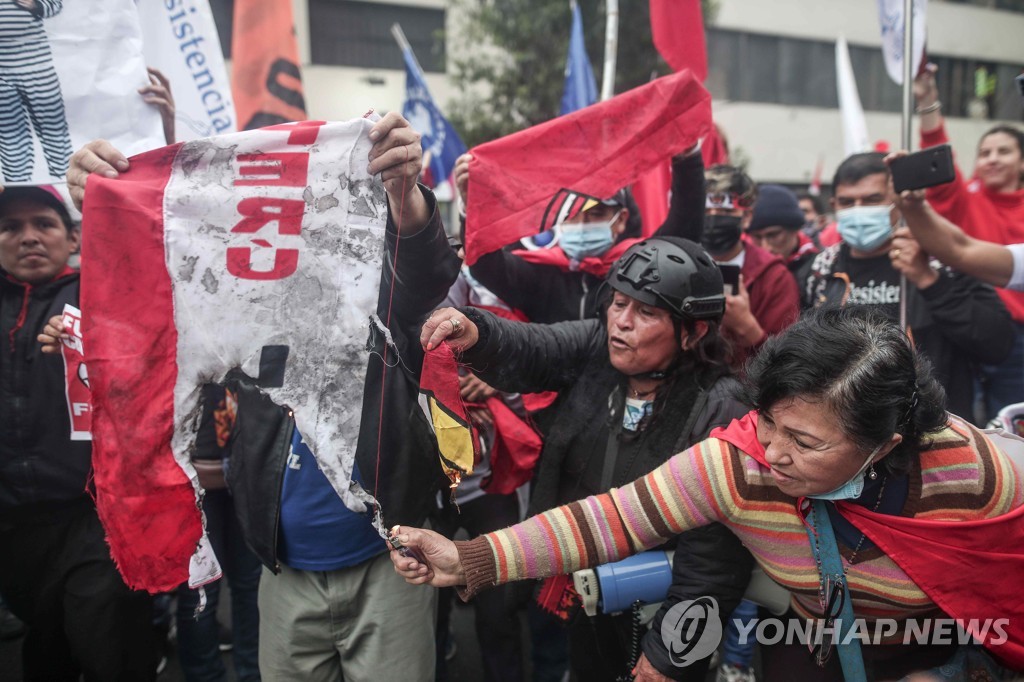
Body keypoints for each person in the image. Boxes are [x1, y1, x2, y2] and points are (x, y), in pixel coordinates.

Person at [393, 305, 1024, 681]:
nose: (772, 451)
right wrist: (472, 559)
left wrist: (953, 672)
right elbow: (610, 520)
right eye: (769, 421)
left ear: (885, 443)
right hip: (803, 652)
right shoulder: (738, 461)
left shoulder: (974, 479)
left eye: (804, 443)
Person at [61, 111, 462, 682]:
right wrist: (104, 200)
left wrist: (404, 192)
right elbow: (149, 293)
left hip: (391, 560)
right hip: (283, 571)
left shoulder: (373, 290)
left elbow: (428, 272)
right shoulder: (231, 307)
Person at [420, 236, 755, 682]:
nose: (622, 322)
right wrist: (476, 335)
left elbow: (713, 561)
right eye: (618, 304)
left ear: (693, 331)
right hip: (580, 590)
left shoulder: (720, 406)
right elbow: (535, 346)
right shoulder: (599, 349)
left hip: (660, 610)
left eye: (647, 312)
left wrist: (667, 658)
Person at [0, 185, 158, 680]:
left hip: (98, 518)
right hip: (15, 528)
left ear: (72, 236)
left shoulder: (106, 294)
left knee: (109, 647)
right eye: (11, 227)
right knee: (45, 648)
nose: (28, 237)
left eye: (43, 224)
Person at [800, 151, 1014, 421]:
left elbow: (997, 344)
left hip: (933, 423)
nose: (859, 210)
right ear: (834, 204)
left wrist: (930, 281)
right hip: (849, 425)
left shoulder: (942, 259)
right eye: (847, 202)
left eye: (872, 200)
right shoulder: (820, 271)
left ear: (898, 201)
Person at [459, 147, 706, 324]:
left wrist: (688, 159)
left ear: (620, 221)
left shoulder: (643, 268)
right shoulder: (540, 272)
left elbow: (683, 231)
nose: (581, 224)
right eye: (572, 215)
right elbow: (484, 264)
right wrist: (471, 206)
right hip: (552, 395)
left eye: (595, 213)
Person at [915, 64, 1024, 418]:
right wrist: (928, 99)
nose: (992, 159)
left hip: (1020, 343)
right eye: (985, 152)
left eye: (1003, 151)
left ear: (1022, 162)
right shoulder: (967, 199)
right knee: (964, 424)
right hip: (973, 327)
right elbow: (938, 169)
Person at [701, 165, 800, 367]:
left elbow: (787, 364)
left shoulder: (773, 277)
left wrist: (746, 327)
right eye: (706, 211)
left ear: (746, 217)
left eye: (724, 211)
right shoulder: (678, 264)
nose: (713, 219)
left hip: (743, 391)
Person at [0, 0, 74, 182]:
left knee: (53, 128)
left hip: (37, 66)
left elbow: (55, 4)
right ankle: (17, 187)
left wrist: (36, 5)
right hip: (2, 72)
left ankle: (65, 181)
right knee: (10, 134)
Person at [746, 184, 819, 276]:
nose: (765, 247)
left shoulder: (819, 269)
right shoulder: (744, 263)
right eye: (757, 237)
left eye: (773, 235)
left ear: (794, 230)